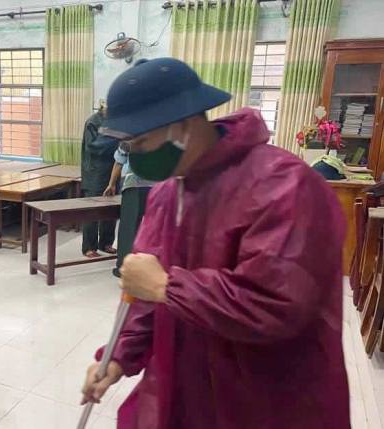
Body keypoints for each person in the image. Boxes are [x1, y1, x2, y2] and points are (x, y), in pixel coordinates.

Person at [81, 58, 349, 428]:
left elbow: (276, 304)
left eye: (141, 142)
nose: (136, 156)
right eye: (129, 146)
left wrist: (166, 285)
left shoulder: (284, 185)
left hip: (262, 395)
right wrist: (118, 357)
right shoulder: (165, 195)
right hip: (184, 383)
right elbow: (144, 298)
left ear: (185, 125)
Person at [104, 143, 156, 277]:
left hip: (134, 185)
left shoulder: (130, 135)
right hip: (158, 187)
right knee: (153, 227)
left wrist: (111, 184)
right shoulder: (163, 130)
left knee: (129, 227)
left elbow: (119, 163)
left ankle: (124, 268)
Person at [81, 100, 118, 258]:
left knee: (111, 209)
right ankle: (89, 247)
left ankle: (106, 243)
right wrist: (116, 141)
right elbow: (93, 147)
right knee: (93, 211)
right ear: (103, 106)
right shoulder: (92, 122)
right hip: (95, 173)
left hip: (112, 171)